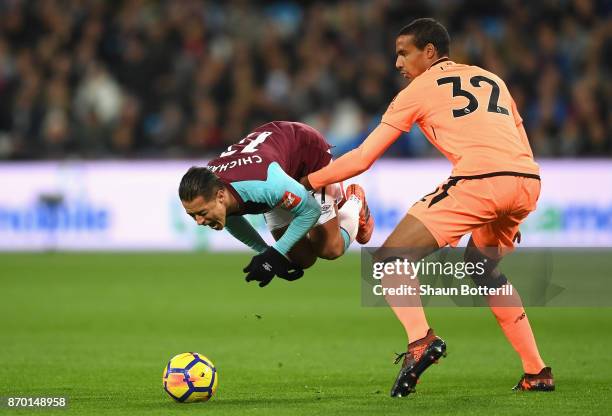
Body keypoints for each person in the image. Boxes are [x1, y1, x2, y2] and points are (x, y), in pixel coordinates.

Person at [301, 18, 554, 396]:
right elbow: (519, 139)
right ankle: (536, 372)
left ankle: (420, 341)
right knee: (482, 270)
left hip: (480, 181)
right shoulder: (491, 79)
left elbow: (362, 158)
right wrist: (512, 201)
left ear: (429, 52)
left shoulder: (419, 90)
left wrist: (309, 182)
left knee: (389, 259)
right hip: (525, 181)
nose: (397, 63)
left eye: (404, 53)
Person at [179, 121, 374, 288]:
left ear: (220, 196)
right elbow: (230, 217)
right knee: (302, 259)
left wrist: (276, 253)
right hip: (277, 167)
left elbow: (309, 211)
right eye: (192, 215)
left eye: (202, 212)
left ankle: (355, 201)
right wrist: (267, 254)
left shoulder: (263, 186)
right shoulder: (215, 189)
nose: (198, 221)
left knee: (330, 249)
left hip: (307, 157)